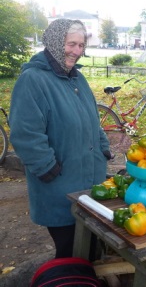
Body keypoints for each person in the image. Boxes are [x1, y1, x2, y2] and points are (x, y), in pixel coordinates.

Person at [9, 19, 112, 259]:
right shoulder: (33, 80)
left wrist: (104, 149)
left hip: (90, 182)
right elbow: (26, 134)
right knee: (70, 252)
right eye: (71, 44)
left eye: (81, 45)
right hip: (59, 187)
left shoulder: (78, 79)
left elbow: (93, 121)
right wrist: (48, 168)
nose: (77, 51)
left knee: (93, 248)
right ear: (55, 43)